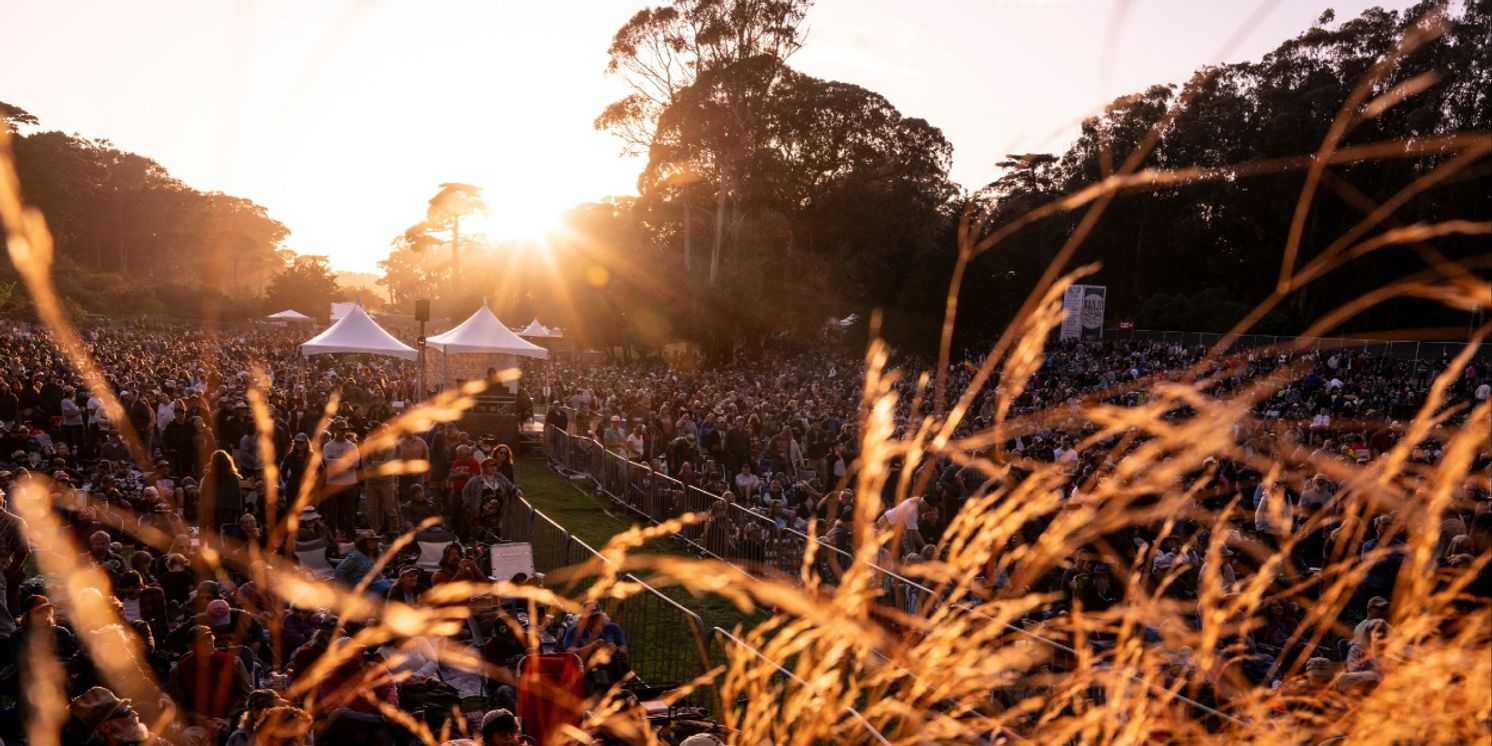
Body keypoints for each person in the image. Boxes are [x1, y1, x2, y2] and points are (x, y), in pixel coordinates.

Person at [168, 625, 253, 736]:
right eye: (202, 641)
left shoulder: (232, 662)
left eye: (210, 638)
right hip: (199, 724)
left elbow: (247, 694)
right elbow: (180, 707)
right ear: (191, 647)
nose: (209, 643)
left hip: (233, 720)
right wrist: (204, 721)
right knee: (187, 737)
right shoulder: (179, 671)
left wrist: (230, 718)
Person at [321, 417, 361, 539]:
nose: (343, 432)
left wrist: (337, 462)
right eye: (341, 429)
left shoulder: (352, 446)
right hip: (333, 483)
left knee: (350, 512)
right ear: (335, 430)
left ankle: (350, 535)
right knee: (332, 512)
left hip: (349, 483)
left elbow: (356, 463)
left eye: (345, 429)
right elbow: (328, 462)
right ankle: (332, 536)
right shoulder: (328, 446)